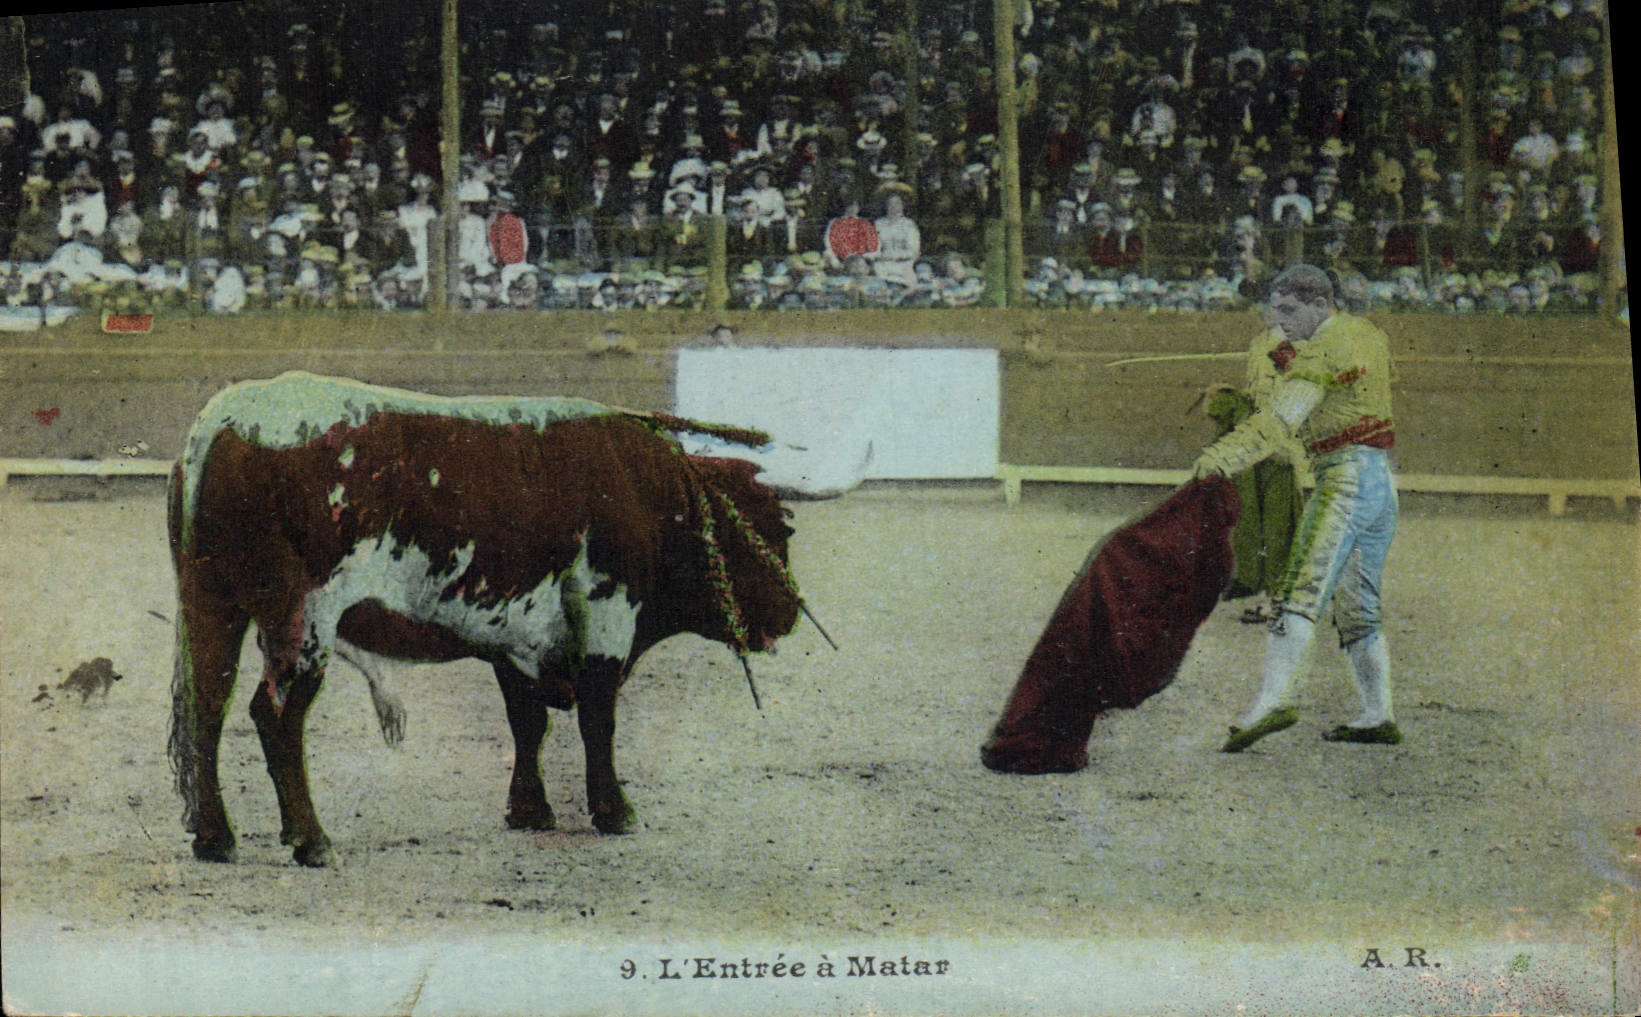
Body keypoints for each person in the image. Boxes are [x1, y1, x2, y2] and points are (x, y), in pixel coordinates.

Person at [1191, 264, 1401, 752]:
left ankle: (1271, 701)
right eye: (1273, 309)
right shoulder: (1364, 334)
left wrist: (1218, 458)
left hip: (1345, 478)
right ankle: (1378, 714)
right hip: (1381, 481)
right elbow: (1341, 386)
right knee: (1358, 607)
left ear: (1320, 305)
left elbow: (1281, 421)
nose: (1276, 319)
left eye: (1288, 310)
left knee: (1298, 591)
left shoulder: (1324, 348)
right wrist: (1285, 359)